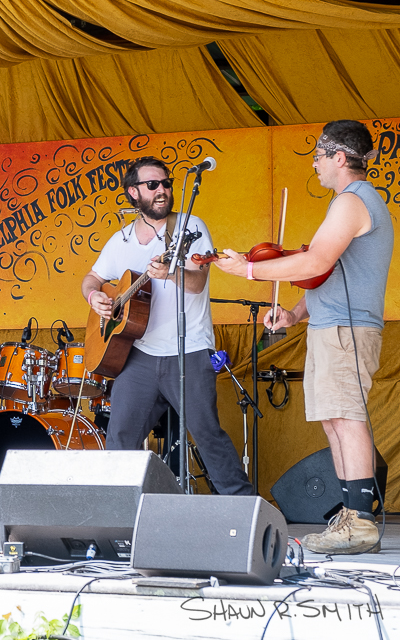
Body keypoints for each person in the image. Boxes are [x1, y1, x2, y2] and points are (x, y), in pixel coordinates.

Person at [214, 120, 391, 554]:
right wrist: (293, 313)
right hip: (331, 326)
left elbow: (315, 262)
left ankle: (361, 520)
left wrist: (249, 270)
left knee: (346, 417)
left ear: (339, 157)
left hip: (346, 330)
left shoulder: (352, 202)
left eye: (317, 155)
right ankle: (351, 516)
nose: (314, 164)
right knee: (335, 418)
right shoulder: (347, 204)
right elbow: (326, 276)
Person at [80, 156, 253, 496]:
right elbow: (92, 277)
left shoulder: (190, 226)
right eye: (153, 185)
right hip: (139, 355)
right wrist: (93, 297)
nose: (163, 191)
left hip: (187, 352)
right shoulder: (122, 240)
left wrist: (171, 272)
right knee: (120, 437)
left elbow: (197, 284)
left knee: (206, 434)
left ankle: (244, 509)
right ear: (134, 193)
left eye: (167, 184)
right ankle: (118, 516)